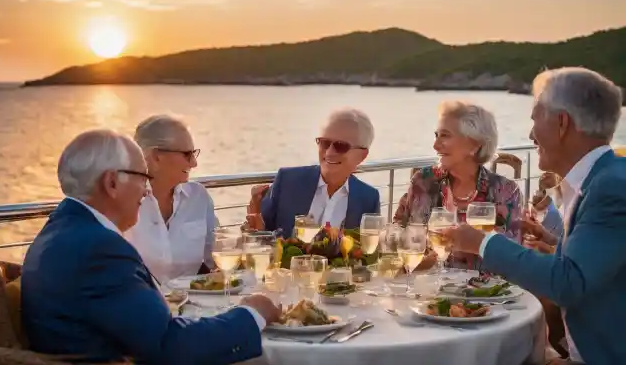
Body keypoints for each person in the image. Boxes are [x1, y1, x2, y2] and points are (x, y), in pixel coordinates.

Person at [21, 129, 280, 364]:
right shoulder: (99, 249)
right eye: (143, 178)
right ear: (111, 183)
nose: (147, 191)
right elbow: (170, 346)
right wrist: (252, 314)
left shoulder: (59, 230)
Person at [443, 67, 626, 364]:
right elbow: (602, 264)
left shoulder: (611, 188)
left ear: (562, 123)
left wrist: (482, 243)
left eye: (535, 119)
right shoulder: (604, 177)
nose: (530, 135)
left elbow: (568, 283)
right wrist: (555, 244)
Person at [394, 101, 522, 270]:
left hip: (484, 293)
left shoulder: (504, 191)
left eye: (445, 136)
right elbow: (397, 233)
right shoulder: (423, 182)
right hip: (426, 291)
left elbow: (513, 258)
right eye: (436, 135)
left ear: (474, 144)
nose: (435, 145)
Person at [246, 108, 380, 237]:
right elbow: (260, 237)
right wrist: (256, 230)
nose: (329, 153)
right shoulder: (287, 181)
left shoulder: (369, 199)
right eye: (324, 143)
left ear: (362, 156)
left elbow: (368, 255)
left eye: (341, 146)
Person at [125, 114, 217, 282]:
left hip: (195, 306)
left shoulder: (199, 197)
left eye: (194, 153)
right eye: (187, 154)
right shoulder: (122, 202)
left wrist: (250, 237)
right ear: (156, 156)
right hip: (141, 305)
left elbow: (218, 257)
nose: (194, 163)